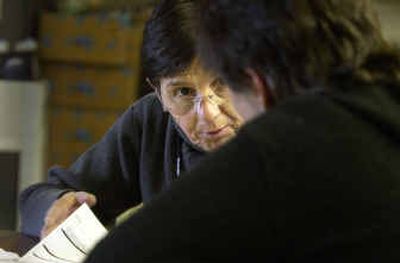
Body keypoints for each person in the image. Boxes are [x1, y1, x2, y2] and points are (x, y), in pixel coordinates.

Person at [83, 0, 400, 262]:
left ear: (258, 84)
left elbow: (114, 256)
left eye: (225, 85)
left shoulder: (286, 149)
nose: (210, 112)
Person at [19, 0, 243, 238]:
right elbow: (41, 198)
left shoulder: (280, 127)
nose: (209, 113)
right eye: (184, 92)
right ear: (158, 93)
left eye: (223, 82)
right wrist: (59, 206)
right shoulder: (151, 122)